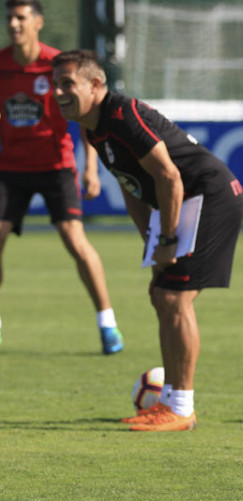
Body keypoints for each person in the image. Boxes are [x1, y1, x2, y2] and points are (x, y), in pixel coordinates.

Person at [51, 49, 243, 432]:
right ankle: (170, 403)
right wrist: (150, 241)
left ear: (95, 84)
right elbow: (132, 187)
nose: (58, 92)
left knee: (174, 298)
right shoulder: (92, 128)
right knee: (162, 294)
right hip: (183, 204)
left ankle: (181, 408)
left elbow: (170, 177)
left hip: (208, 197)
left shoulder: (122, 117)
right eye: (55, 84)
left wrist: (169, 238)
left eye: (67, 84)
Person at [0, 0, 123, 354]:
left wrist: (89, 168)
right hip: (9, 169)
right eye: (9, 17)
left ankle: (107, 323)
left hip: (55, 167)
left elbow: (85, 114)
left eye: (21, 17)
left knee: (75, 241)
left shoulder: (57, 66)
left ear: (38, 22)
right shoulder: (2, 65)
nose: (14, 23)